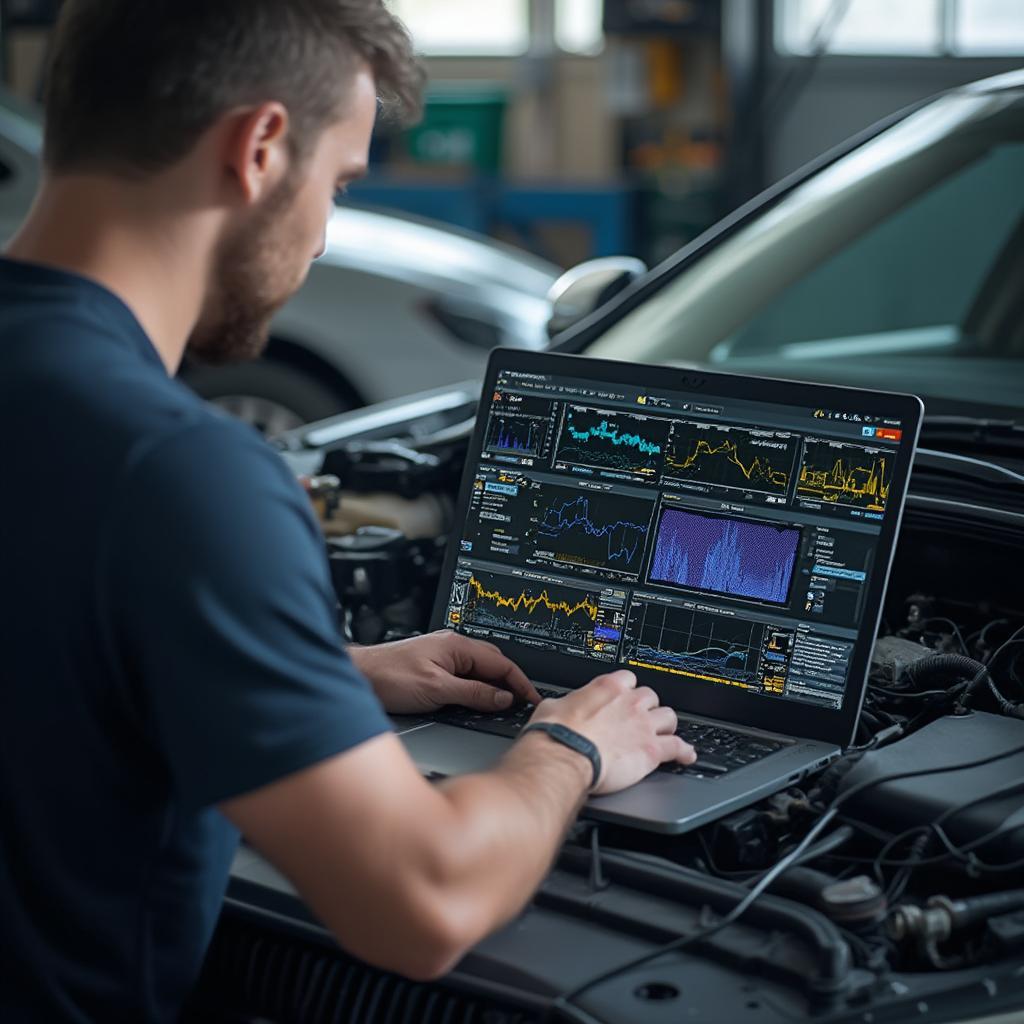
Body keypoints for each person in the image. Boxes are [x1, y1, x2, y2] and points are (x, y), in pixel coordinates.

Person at [0, 2, 696, 1020]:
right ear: (260, 148)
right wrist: (569, 746)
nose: (324, 235)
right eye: (339, 184)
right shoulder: (180, 472)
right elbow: (426, 897)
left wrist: (328, 677)